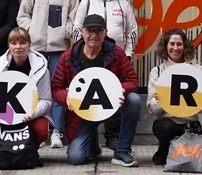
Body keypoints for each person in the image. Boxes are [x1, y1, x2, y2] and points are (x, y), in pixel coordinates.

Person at [52, 14, 141, 167]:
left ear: (105, 32)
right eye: (89, 31)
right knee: (76, 158)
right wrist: (66, 97)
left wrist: (121, 90)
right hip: (83, 114)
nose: (94, 35)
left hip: (112, 107)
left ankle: (122, 151)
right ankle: (92, 144)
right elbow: (56, 88)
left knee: (134, 100)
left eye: (99, 31)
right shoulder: (68, 57)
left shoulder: (116, 53)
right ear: (82, 32)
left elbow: (132, 80)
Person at [17, 0, 79, 149]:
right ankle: (38, 129)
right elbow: (22, 16)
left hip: (59, 49)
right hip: (35, 49)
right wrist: (32, 30)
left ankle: (57, 131)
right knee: (35, 89)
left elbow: (74, 18)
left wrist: (64, 32)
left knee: (58, 90)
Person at [71, 0, 138, 150]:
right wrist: (81, 51)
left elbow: (133, 32)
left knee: (115, 95)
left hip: (115, 59)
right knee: (92, 96)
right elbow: (77, 29)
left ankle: (112, 136)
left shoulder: (123, 4)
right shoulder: (86, 2)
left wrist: (128, 54)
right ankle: (90, 135)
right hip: (91, 58)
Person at [0, 27, 54, 165]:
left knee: (42, 128)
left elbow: (46, 100)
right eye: (13, 43)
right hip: (5, 112)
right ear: (8, 46)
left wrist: (32, 113)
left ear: (29, 44)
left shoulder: (41, 69)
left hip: (29, 114)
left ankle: (29, 150)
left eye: (22, 43)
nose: (18, 47)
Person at [146, 29, 202, 166]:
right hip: (166, 123)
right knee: (166, 127)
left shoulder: (197, 70)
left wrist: (201, 100)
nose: (175, 48)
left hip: (190, 123)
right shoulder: (157, 71)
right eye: (172, 44)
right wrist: (162, 99)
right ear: (165, 46)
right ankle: (164, 147)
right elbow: (151, 109)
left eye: (179, 44)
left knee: (190, 162)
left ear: (185, 46)